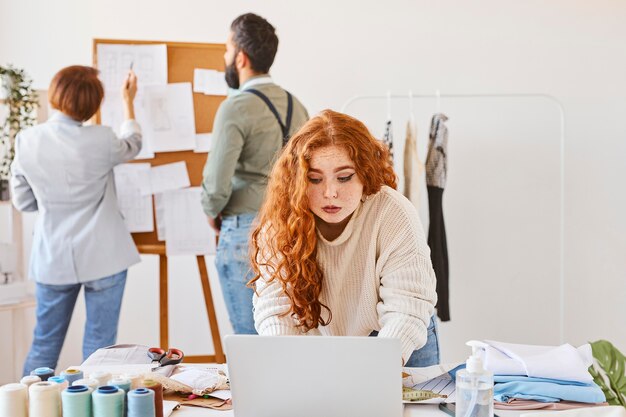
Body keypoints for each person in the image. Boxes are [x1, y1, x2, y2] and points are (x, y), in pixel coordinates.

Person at [249, 110, 440, 367]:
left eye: (344, 177)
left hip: (398, 336)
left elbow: (406, 309)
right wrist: (288, 366)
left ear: (365, 173)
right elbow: (275, 309)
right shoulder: (281, 219)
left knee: (401, 408)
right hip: (320, 338)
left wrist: (378, 371)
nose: (330, 193)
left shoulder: (393, 213)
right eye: (314, 179)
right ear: (297, 180)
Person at [11, 65, 142, 374]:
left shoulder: (27, 140)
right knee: (100, 350)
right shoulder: (103, 138)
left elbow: (23, 201)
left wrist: (51, 203)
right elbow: (133, 143)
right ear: (93, 104)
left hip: (53, 257)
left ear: (56, 96)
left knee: (44, 344)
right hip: (105, 257)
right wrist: (128, 102)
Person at [201, 13, 308, 334]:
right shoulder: (297, 105)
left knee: (249, 340)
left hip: (244, 233)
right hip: (291, 230)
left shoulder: (235, 107)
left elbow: (216, 187)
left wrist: (211, 210)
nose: (225, 58)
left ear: (241, 57)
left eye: (226, 50)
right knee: (284, 332)